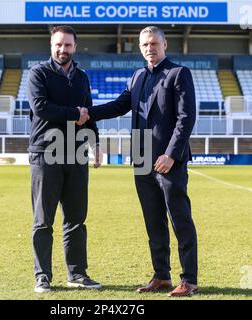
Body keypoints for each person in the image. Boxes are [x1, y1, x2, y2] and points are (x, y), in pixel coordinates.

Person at [84, 26, 198, 297]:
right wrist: (87, 113)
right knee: (153, 221)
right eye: (145, 44)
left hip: (169, 161)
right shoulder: (136, 77)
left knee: (180, 219)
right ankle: (162, 276)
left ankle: (189, 279)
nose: (150, 48)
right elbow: (118, 105)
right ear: (140, 47)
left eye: (154, 43)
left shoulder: (178, 74)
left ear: (165, 44)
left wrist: (170, 154)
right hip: (142, 160)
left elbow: (186, 118)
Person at [26, 25, 102, 293]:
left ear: (75, 47)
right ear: (51, 46)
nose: (63, 49)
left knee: (76, 219)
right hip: (45, 153)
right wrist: (75, 113)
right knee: (43, 220)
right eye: (58, 44)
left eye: (67, 45)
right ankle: (42, 276)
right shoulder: (38, 73)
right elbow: (41, 108)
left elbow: (89, 112)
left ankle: (77, 274)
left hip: (77, 154)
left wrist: (95, 144)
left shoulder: (81, 77)